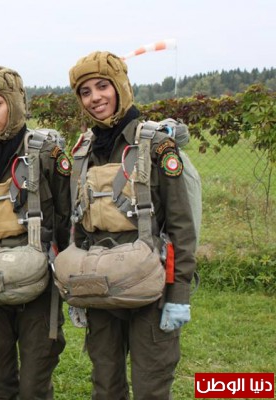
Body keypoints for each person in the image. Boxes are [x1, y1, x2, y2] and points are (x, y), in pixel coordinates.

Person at [66, 51, 197, 399]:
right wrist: (77, 289)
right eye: (85, 92)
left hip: (150, 288)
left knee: (151, 385)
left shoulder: (156, 145)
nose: (95, 98)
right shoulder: (85, 150)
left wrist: (178, 293)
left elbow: (181, 226)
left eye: (102, 86)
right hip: (99, 284)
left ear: (120, 86)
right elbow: (80, 225)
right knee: (105, 384)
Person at [0, 66, 72, 399]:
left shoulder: (46, 155)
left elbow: (67, 218)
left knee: (34, 386)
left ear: (15, 103)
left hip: (37, 288)